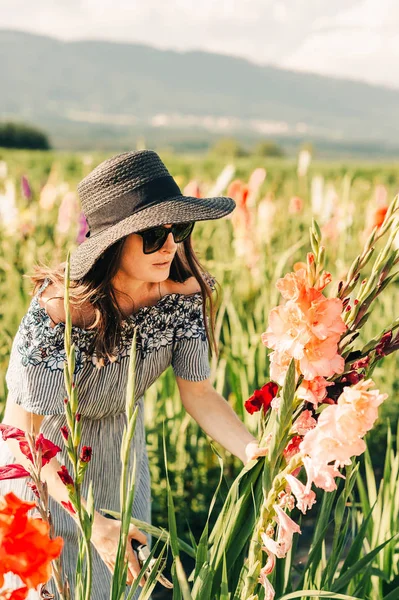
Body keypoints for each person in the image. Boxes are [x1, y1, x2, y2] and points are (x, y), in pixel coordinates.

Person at [0, 150, 265, 599]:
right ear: (110, 244)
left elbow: (199, 396)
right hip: (44, 468)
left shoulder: (183, 296)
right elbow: (23, 432)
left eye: (178, 230)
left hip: (119, 460)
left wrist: (254, 450)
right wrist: (87, 517)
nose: (170, 247)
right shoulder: (61, 309)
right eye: (151, 235)